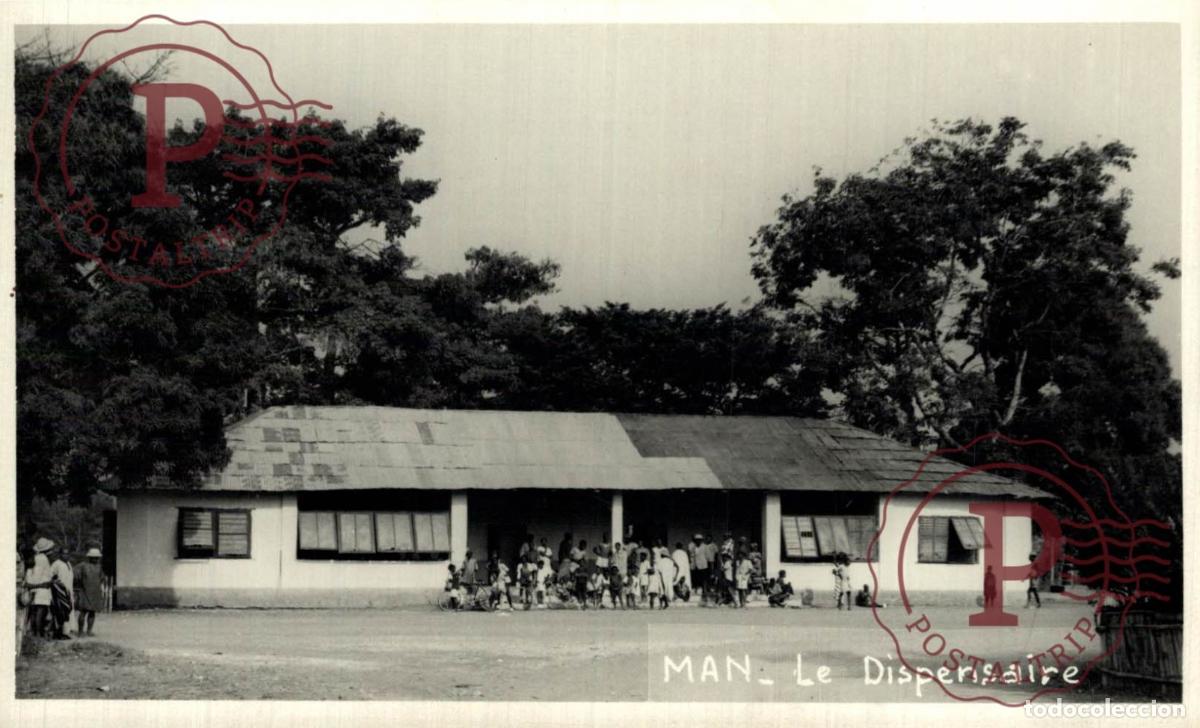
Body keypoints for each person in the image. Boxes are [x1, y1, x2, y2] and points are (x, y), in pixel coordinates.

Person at [26, 538, 53, 638]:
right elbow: (38, 575)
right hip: (41, 587)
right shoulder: (43, 559)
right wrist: (39, 585)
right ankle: (37, 633)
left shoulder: (36, 557)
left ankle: (34, 632)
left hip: (36, 586)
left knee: (35, 611)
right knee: (40, 612)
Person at [73, 547, 104, 636]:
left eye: (97, 557)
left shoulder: (99, 567)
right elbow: (75, 574)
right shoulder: (82, 565)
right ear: (89, 557)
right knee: (83, 612)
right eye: (93, 557)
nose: (95, 559)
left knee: (92, 612)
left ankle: (89, 630)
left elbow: (102, 578)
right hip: (84, 591)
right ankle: (80, 631)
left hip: (95, 592)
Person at [48, 544, 73, 639]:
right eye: (64, 554)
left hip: (67, 592)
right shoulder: (56, 564)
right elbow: (49, 576)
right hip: (58, 592)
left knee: (66, 612)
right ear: (60, 554)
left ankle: (64, 633)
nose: (66, 556)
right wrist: (54, 583)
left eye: (67, 554)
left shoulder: (68, 564)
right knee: (59, 613)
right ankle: (57, 634)